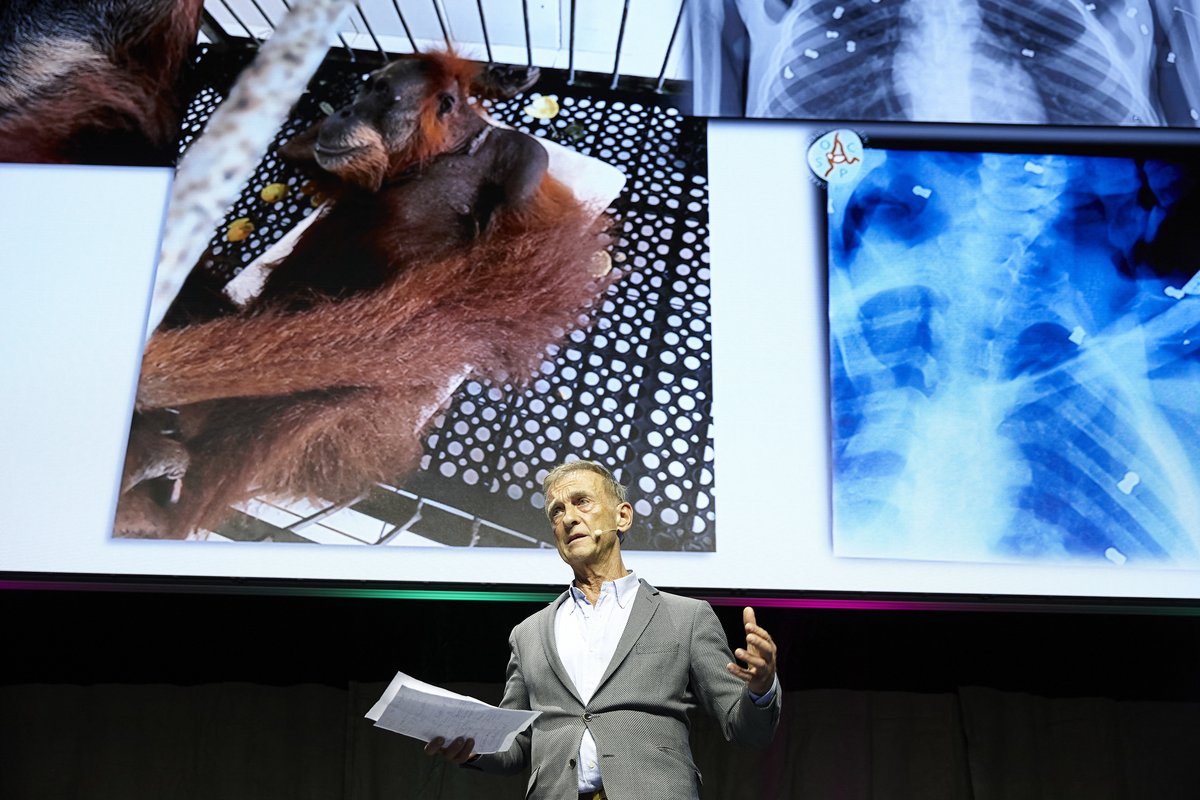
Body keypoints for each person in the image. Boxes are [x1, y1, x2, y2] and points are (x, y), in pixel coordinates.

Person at [425, 460, 781, 799]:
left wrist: (761, 689)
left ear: (622, 516)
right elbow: (516, 747)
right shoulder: (528, 634)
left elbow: (746, 731)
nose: (568, 518)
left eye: (582, 501)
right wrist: (473, 746)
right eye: (557, 511)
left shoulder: (685, 617)